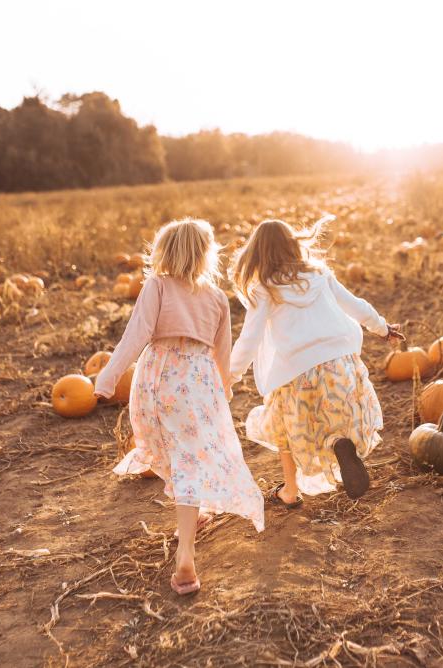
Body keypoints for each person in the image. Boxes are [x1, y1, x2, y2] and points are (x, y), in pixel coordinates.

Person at [95, 218, 264, 596]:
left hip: (159, 378)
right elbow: (222, 354)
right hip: (199, 380)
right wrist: (223, 391)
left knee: (173, 452)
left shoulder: (156, 286)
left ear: (164, 252)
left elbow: (135, 335)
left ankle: (186, 549)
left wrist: (107, 379)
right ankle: (189, 535)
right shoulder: (218, 298)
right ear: (207, 255)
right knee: (191, 453)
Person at [228, 216, 403, 508]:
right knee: (333, 417)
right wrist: (382, 328)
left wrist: (229, 376)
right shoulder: (319, 274)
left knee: (284, 426)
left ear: (257, 253)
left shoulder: (264, 288)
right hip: (340, 364)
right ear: (292, 245)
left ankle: (291, 491)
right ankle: (338, 444)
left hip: (297, 372)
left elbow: (250, 338)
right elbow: (355, 304)